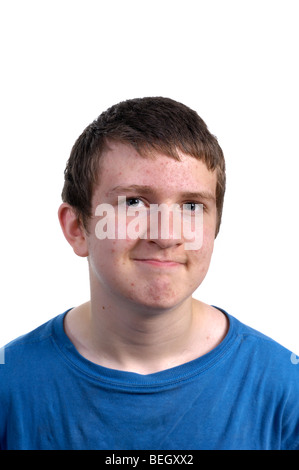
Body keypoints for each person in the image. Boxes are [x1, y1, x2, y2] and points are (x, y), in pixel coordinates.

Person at [1, 97, 299, 450]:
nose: (166, 234)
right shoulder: (10, 387)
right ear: (78, 228)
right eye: (133, 202)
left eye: (191, 206)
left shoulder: (285, 389)